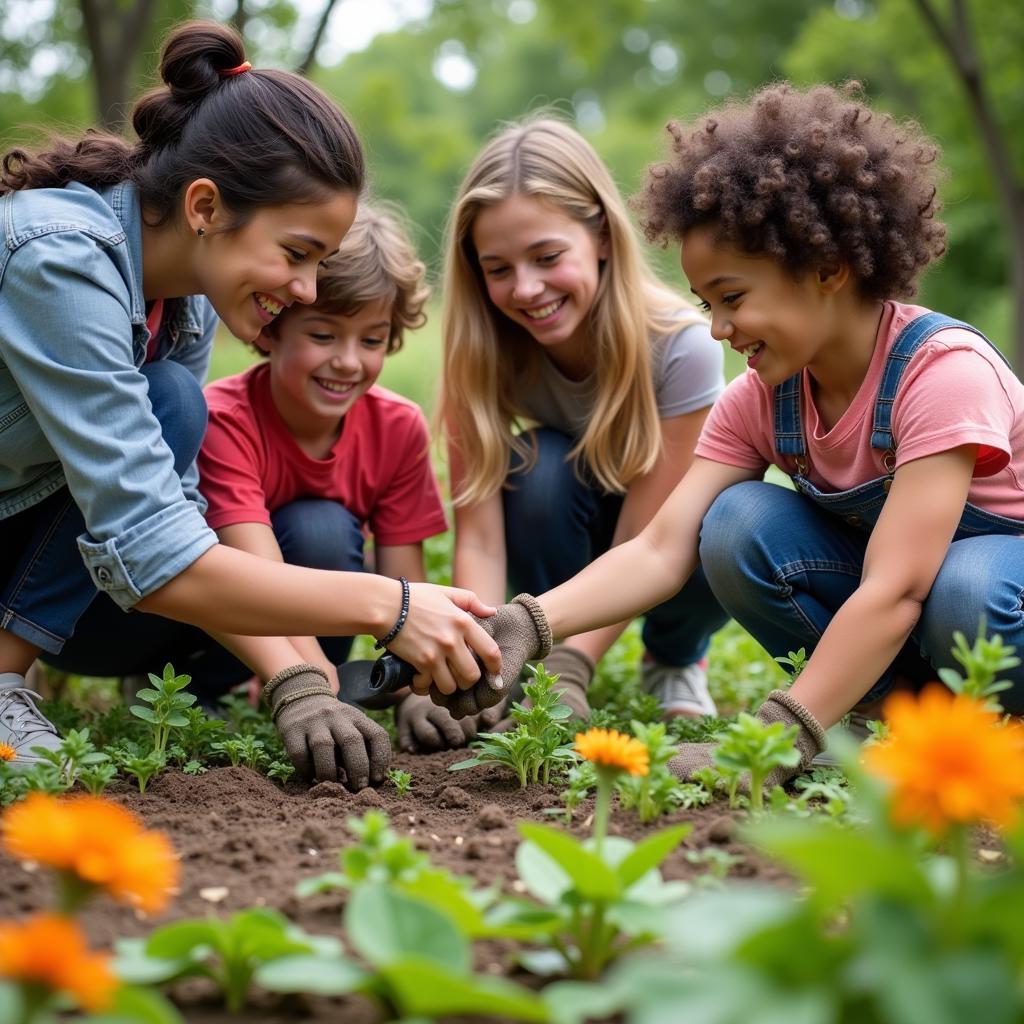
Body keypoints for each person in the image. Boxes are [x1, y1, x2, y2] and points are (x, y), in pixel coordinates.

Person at [434, 82, 1024, 787]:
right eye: (706, 303)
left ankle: (984, 727)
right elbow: (658, 546)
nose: (716, 328)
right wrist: (529, 625)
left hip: (993, 585)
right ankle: (893, 716)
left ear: (828, 269)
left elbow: (899, 588)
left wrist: (776, 738)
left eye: (734, 298)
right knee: (737, 522)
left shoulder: (941, 373)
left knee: (966, 587)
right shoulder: (761, 397)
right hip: (900, 595)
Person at [0, 20, 500, 782]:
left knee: (170, 401)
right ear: (205, 206)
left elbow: (165, 516)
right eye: (296, 254)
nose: (304, 290)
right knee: (171, 402)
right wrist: (392, 607)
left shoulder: (187, 303)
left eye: (321, 262)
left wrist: (309, 677)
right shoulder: (59, 259)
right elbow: (158, 552)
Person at [438, 116, 728, 723]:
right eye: (498, 268)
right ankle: (531, 661)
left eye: (547, 256)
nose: (526, 289)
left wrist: (576, 662)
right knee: (538, 470)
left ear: (600, 235)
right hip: (566, 525)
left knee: (722, 517)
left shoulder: (682, 347)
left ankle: (674, 657)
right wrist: (472, 660)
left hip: (661, 538)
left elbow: (647, 541)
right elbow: (483, 540)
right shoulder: (482, 354)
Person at [195, 202, 495, 756]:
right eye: (324, 335)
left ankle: (314, 689)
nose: (349, 362)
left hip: (315, 613)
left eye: (372, 339)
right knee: (316, 529)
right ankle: (225, 689)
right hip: (224, 623)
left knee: (323, 531)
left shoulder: (397, 426)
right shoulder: (224, 418)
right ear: (272, 328)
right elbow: (258, 574)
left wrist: (417, 684)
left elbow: (404, 585)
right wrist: (310, 685)